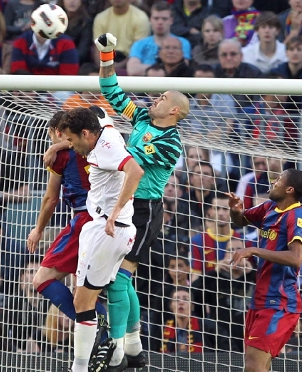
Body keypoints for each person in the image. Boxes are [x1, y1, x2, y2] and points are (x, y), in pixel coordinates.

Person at [93, 32, 188, 370]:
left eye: (162, 97)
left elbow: (129, 159)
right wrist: (107, 55)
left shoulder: (171, 143)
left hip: (145, 210)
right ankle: (134, 349)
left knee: (118, 278)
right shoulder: (144, 119)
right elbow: (111, 92)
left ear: (174, 110)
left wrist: (100, 141)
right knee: (121, 278)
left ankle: (117, 348)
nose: (156, 98)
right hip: (125, 204)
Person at [57, 107, 144, 372]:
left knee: (83, 302)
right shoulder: (102, 127)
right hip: (106, 228)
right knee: (86, 298)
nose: (70, 147)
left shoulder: (106, 147)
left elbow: (135, 171)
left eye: (71, 141)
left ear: (86, 133)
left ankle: (81, 367)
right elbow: (97, 110)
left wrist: (115, 211)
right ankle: (118, 349)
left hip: (108, 230)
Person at [27, 111, 107, 329]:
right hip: (112, 221)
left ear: (57, 132)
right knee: (90, 290)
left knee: (41, 279)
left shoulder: (60, 156)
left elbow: (51, 199)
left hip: (85, 220)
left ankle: (98, 325)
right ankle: (112, 337)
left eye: (51, 137)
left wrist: (38, 229)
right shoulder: (100, 145)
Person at [227, 168, 302, 372]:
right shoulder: (269, 207)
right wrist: (234, 211)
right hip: (260, 298)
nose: (274, 181)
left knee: (254, 366)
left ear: (289, 189)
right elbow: (240, 221)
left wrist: (254, 250)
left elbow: (296, 258)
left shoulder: (297, 216)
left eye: (279, 179)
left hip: (279, 301)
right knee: (258, 365)